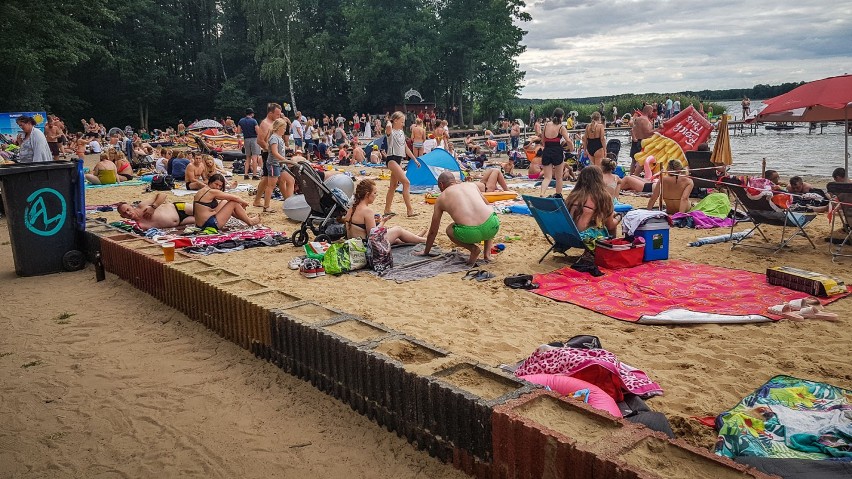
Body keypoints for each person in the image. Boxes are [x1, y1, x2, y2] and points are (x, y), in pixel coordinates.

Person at [420, 172, 500, 266]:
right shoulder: (471, 185)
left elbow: (433, 230)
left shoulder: (441, 198)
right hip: (492, 226)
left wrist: (426, 251)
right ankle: (487, 255)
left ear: (441, 185)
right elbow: (487, 204)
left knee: (449, 229)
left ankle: (473, 249)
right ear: (454, 181)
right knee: (485, 216)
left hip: (470, 233)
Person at [344, 179, 426, 244]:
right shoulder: (367, 211)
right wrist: (383, 221)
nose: (376, 195)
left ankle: (416, 238)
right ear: (367, 194)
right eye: (375, 193)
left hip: (354, 245)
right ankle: (423, 240)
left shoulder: (352, 208)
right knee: (398, 230)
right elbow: (373, 236)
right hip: (366, 248)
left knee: (396, 239)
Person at [564, 166, 617, 247]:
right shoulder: (603, 196)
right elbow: (610, 225)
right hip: (587, 238)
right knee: (613, 218)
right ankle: (610, 248)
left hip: (567, 236)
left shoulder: (573, 195)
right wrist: (620, 217)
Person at [384, 111, 421, 217]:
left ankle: (387, 209)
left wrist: (414, 159)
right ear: (395, 121)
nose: (403, 124)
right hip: (391, 159)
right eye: (401, 121)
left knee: (393, 186)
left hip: (399, 159)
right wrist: (389, 121)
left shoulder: (401, 133)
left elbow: (405, 148)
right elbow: (388, 127)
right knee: (406, 182)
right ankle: (410, 210)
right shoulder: (390, 131)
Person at [193, 174, 260, 230]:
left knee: (225, 201)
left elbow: (227, 198)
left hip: (200, 224)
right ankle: (250, 221)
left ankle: (244, 217)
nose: (217, 187)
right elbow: (235, 198)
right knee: (233, 203)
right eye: (216, 184)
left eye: (220, 186)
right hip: (209, 224)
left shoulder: (203, 190)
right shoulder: (212, 192)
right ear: (210, 182)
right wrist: (244, 202)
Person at [262, 118, 297, 211]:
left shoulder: (278, 137)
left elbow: (279, 149)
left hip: (280, 164)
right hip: (274, 164)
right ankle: (266, 206)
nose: (285, 130)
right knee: (271, 186)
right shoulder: (274, 137)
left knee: (290, 180)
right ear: (278, 128)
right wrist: (285, 160)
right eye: (284, 128)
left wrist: (287, 149)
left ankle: (289, 202)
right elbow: (274, 152)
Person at [253, 103, 283, 208]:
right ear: (270, 113)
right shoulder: (265, 124)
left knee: (266, 179)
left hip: (273, 153)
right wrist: (271, 150)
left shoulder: (275, 122)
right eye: (277, 114)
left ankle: (257, 200)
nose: (279, 116)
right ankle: (259, 201)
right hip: (268, 154)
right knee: (269, 179)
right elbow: (260, 140)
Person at [539, 108, 573, 197]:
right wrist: (571, 148)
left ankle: (542, 193)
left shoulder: (546, 125)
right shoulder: (561, 127)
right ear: (562, 117)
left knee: (547, 177)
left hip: (547, 150)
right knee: (559, 177)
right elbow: (568, 140)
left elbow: (543, 140)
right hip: (557, 151)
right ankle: (558, 194)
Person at [117, 193, 195, 230]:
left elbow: (162, 195)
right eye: (124, 213)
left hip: (178, 208)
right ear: (123, 216)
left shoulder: (142, 206)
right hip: (180, 222)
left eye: (128, 209)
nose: (128, 213)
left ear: (131, 207)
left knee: (204, 212)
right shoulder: (138, 225)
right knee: (204, 220)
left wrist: (153, 207)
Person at [630, 105, 655, 175]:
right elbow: (647, 133)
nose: (652, 113)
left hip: (638, 141)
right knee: (642, 161)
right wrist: (658, 130)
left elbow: (632, 129)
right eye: (652, 111)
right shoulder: (644, 120)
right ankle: (635, 176)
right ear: (649, 111)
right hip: (642, 142)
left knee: (635, 160)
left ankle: (632, 175)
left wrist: (634, 137)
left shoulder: (639, 119)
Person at [238, 108, 261, 180]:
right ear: (252, 113)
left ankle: (246, 174)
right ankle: (254, 175)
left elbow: (238, 131)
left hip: (246, 139)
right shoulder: (254, 121)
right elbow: (258, 131)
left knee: (248, 158)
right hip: (254, 139)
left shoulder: (241, 121)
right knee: (254, 158)